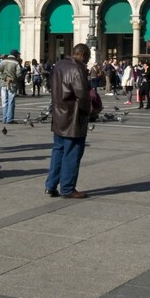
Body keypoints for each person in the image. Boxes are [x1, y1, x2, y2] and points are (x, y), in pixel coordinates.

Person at [44, 43, 93, 199]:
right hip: (73, 117)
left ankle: (51, 185)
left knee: (58, 150)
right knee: (72, 152)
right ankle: (67, 188)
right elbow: (83, 96)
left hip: (58, 115)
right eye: (89, 57)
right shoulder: (78, 69)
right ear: (84, 55)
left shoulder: (59, 65)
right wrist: (89, 111)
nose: (88, 60)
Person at [0, 51, 21, 124]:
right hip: (12, 84)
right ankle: (9, 119)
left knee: (4, 102)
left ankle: (4, 119)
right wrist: (13, 78)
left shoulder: (3, 62)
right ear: (15, 55)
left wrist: (5, 77)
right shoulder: (16, 63)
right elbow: (19, 74)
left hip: (3, 84)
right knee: (11, 102)